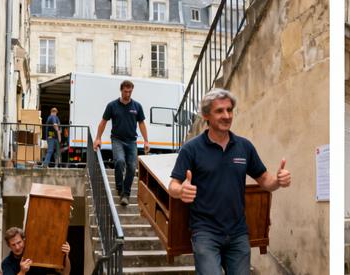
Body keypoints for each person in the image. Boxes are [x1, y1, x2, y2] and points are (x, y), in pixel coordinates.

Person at [167, 88, 291, 275]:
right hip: (205, 232)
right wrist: (180, 191)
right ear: (206, 115)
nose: (226, 116)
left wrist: (278, 181)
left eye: (229, 110)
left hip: (238, 233)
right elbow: (173, 185)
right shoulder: (191, 149)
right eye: (219, 111)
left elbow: (266, 180)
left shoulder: (244, 147)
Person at [93, 80, 150, 206]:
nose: (128, 94)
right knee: (119, 161)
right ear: (121, 90)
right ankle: (120, 188)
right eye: (125, 91)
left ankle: (126, 194)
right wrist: (98, 138)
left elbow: (141, 123)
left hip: (131, 141)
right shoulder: (112, 106)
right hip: (117, 139)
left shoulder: (137, 106)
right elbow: (103, 122)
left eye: (130, 91)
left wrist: (146, 141)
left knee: (132, 166)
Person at [1, 227, 70, 275]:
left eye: (19, 242)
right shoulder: (7, 263)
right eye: (13, 245)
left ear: (24, 241)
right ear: (9, 246)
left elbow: (65, 273)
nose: (17, 247)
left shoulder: (39, 255)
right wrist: (22, 272)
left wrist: (66, 255)